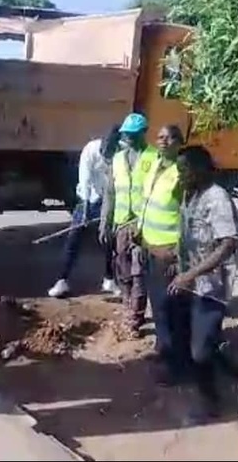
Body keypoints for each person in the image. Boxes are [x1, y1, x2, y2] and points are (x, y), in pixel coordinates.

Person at [167, 145, 238, 419]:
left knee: (201, 352)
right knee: (192, 343)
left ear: (201, 169)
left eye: (184, 170)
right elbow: (191, 236)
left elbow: (227, 244)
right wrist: (175, 259)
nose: (180, 175)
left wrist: (189, 275)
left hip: (212, 286)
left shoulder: (217, 198)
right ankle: (211, 393)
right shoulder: (189, 195)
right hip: (189, 283)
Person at [99, 113, 157, 334]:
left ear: (143, 133)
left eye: (133, 135)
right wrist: (105, 222)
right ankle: (127, 302)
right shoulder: (117, 159)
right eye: (126, 135)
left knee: (138, 270)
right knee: (122, 268)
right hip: (121, 224)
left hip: (144, 224)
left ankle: (136, 317)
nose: (129, 138)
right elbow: (110, 194)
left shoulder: (155, 158)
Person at [47, 126, 121, 298]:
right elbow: (85, 181)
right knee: (74, 238)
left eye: (110, 151)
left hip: (107, 201)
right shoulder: (91, 149)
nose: (106, 154)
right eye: (105, 150)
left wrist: (107, 213)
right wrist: (86, 213)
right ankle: (62, 280)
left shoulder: (120, 154)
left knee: (108, 241)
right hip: (86, 199)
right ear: (103, 142)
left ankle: (109, 279)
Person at [138, 125, 185, 380]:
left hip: (168, 254)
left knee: (170, 309)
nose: (164, 142)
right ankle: (163, 348)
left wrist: (178, 254)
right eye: (160, 137)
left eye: (170, 138)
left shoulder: (181, 172)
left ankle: (175, 366)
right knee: (158, 307)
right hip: (149, 248)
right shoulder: (156, 165)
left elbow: (188, 217)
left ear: (180, 142)